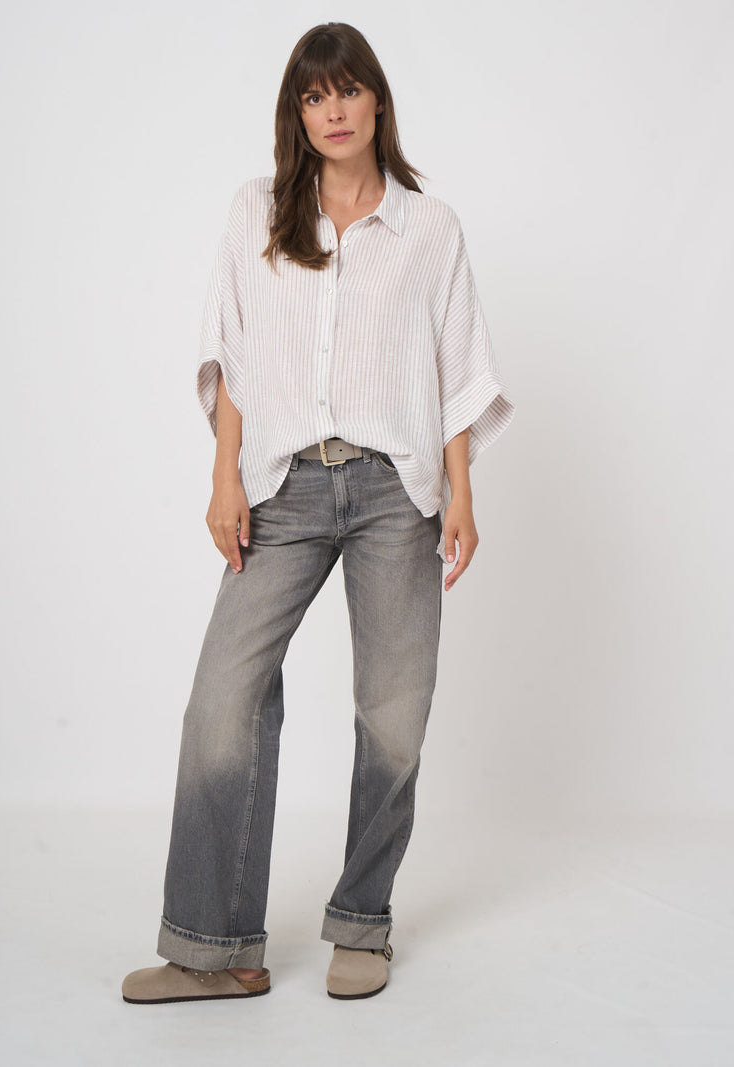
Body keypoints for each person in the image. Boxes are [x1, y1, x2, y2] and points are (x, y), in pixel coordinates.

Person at [122, 21, 515, 1005]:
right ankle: (216, 950)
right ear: (295, 113)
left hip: (395, 493)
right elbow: (233, 350)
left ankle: (362, 921)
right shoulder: (257, 211)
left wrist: (462, 494)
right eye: (312, 95)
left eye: (346, 90)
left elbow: (453, 369)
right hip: (283, 486)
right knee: (225, 698)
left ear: (377, 99)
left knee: (394, 711)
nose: (331, 110)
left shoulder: (430, 229)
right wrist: (224, 477)